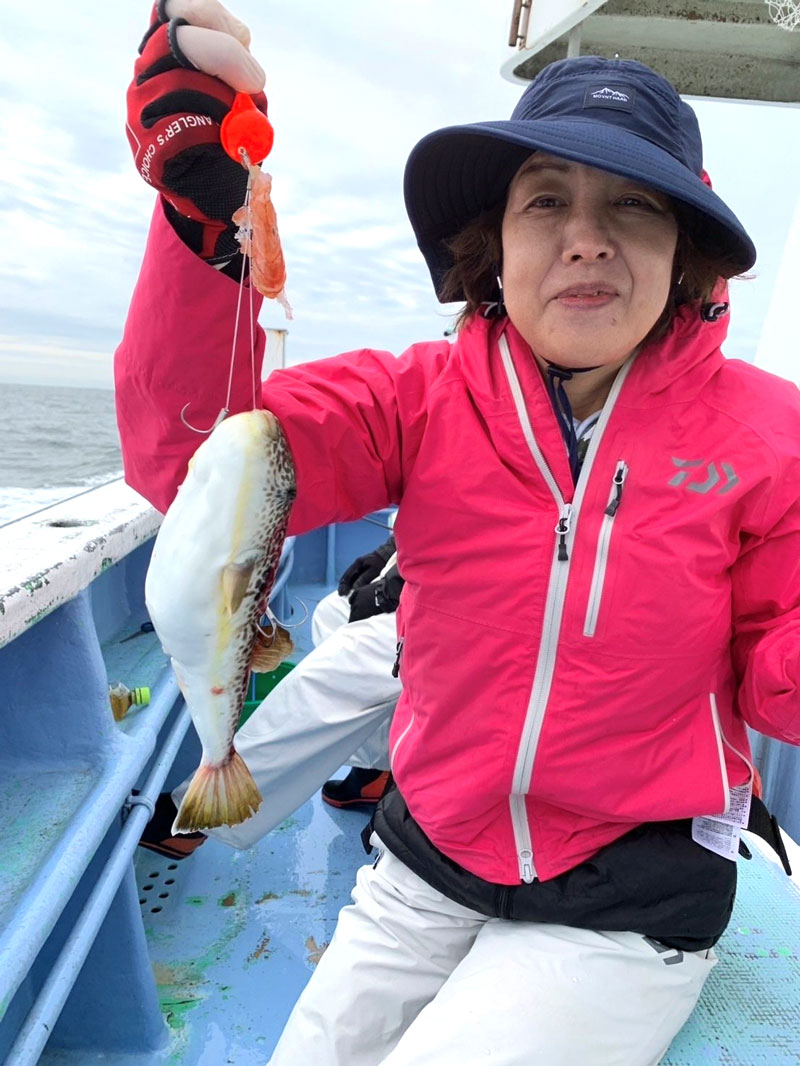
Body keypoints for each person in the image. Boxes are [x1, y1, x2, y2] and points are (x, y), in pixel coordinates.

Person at [117, 3, 800, 1063]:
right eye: (544, 200)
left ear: (688, 251)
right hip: (429, 850)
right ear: (491, 244)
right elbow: (200, 464)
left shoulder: (769, 436)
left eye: (631, 203)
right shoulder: (414, 399)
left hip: (629, 889)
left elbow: (776, 681)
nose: (585, 235)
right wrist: (208, 234)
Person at [139, 533, 402, 859]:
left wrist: (393, 587)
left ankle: (198, 816)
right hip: (435, 572)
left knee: (340, 672)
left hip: (468, 605)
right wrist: (388, 553)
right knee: (333, 612)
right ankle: (378, 769)